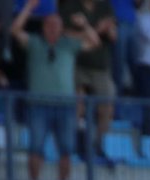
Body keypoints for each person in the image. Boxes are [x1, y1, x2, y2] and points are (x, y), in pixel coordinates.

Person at [11, 0, 101, 180]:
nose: (52, 28)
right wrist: (28, 8)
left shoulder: (68, 45)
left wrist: (84, 25)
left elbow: (95, 42)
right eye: (49, 25)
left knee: (66, 150)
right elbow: (16, 30)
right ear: (43, 27)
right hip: (38, 105)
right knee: (35, 148)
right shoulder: (34, 43)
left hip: (65, 106)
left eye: (56, 25)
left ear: (62, 28)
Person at [61, 0, 119, 165]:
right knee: (77, 105)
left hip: (101, 66)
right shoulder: (70, 6)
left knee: (107, 106)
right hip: (77, 64)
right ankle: (71, 145)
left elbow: (113, 36)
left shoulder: (105, 7)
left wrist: (90, 29)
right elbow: (65, 33)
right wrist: (96, 30)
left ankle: (99, 145)